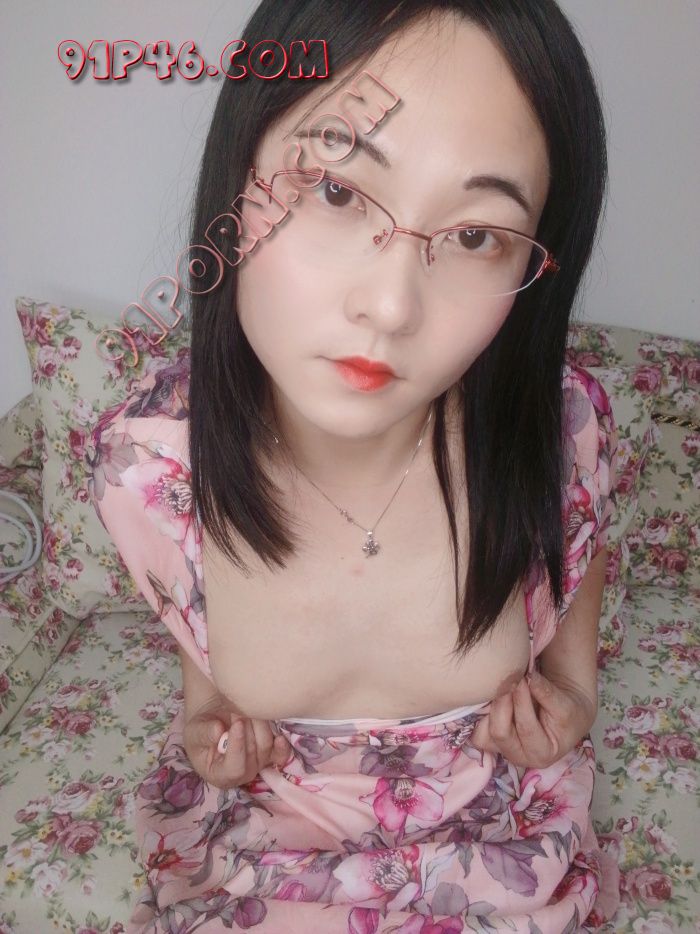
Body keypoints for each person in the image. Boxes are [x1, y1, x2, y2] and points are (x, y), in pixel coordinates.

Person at [87, 1, 622, 930]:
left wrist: (573, 697)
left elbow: (581, 544)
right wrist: (209, 725)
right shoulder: (149, 469)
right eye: (336, 190)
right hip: (262, 859)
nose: (391, 305)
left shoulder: (558, 428)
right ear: (236, 180)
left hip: (495, 850)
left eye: (476, 235)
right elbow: (203, 655)